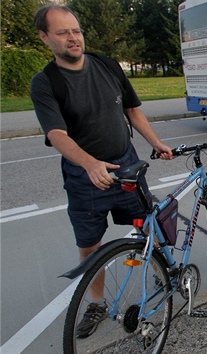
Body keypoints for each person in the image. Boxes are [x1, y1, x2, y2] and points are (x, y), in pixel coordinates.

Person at [30, 4, 173, 338]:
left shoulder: (107, 66)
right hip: (85, 176)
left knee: (151, 222)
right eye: (62, 32)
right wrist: (89, 163)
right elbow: (56, 134)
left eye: (76, 30)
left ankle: (161, 272)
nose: (72, 38)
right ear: (44, 37)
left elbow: (132, 110)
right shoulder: (45, 82)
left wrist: (156, 142)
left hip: (126, 165)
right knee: (89, 246)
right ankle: (96, 303)